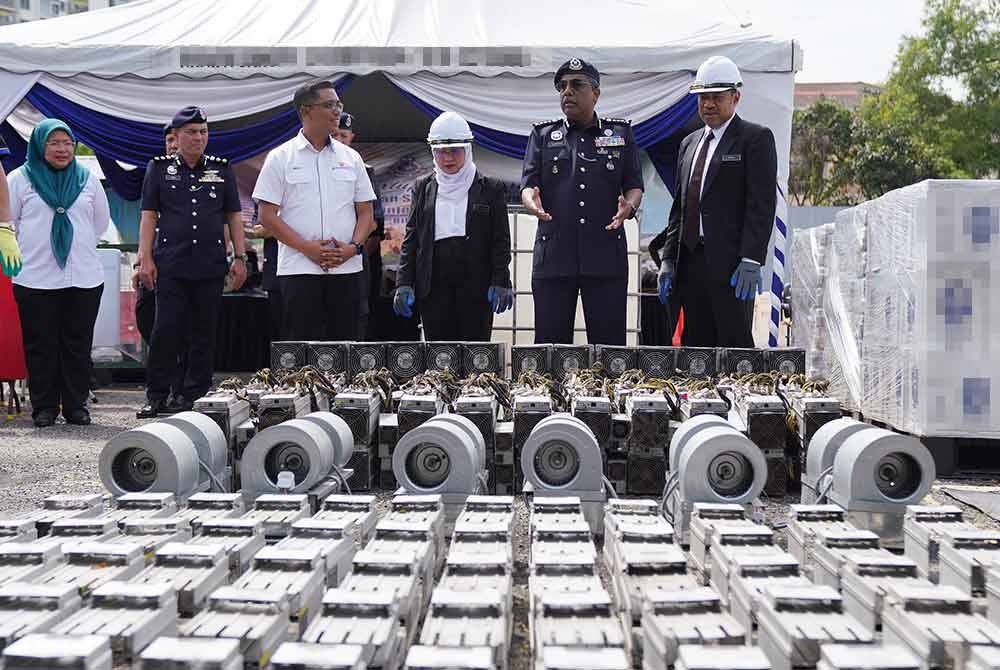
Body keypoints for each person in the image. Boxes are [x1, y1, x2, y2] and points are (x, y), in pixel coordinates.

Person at [520, 57, 643, 345]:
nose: (567, 92)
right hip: (554, 256)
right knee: (550, 349)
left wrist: (630, 206)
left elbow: (634, 185)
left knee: (609, 348)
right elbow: (528, 184)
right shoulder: (543, 135)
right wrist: (530, 202)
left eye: (577, 85)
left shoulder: (619, 133)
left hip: (604, 258)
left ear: (596, 93)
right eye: (562, 86)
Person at [657, 56, 777, 347]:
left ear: (735, 97)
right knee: (696, 349)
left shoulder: (755, 139)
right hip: (690, 264)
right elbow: (680, 210)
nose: (708, 104)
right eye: (703, 98)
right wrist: (669, 260)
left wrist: (751, 258)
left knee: (734, 347)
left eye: (716, 97)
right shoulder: (689, 143)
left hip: (732, 267)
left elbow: (761, 204)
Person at [137, 107, 247, 418]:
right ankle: (157, 395)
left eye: (203, 132)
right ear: (177, 136)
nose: (199, 138)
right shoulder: (159, 169)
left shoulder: (221, 168)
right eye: (191, 132)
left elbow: (233, 216)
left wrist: (239, 256)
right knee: (166, 328)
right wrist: (145, 257)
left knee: (203, 332)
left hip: (210, 264)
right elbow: (148, 216)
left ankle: (194, 394)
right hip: (171, 263)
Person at [252, 81, 376, 341]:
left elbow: (366, 212)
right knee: (302, 350)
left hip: (347, 269)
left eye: (338, 105)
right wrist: (306, 248)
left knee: (347, 348)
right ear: (306, 111)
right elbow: (266, 215)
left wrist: (353, 247)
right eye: (329, 105)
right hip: (299, 270)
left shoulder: (351, 158)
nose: (336, 112)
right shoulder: (280, 157)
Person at [6, 119, 110, 427]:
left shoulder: (87, 179)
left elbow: (99, 223)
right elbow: (8, 222)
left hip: (83, 277)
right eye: (54, 143)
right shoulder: (19, 179)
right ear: (39, 145)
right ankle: (44, 408)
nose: (62, 149)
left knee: (77, 345)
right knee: (41, 346)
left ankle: (76, 406)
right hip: (35, 277)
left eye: (67, 143)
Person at [393, 111, 512, 341]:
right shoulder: (423, 187)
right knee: (439, 354)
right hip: (434, 283)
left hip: (476, 283)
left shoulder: (490, 188)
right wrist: (404, 282)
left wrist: (501, 280)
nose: (448, 158)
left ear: (467, 150)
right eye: (441, 152)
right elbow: (412, 238)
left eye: (455, 151)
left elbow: (500, 240)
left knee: (475, 354)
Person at [334, 112, 386, 340]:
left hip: (355, 253)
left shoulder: (363, 169)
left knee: (356, 315)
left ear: (352, 137)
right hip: (321, 254)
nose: (339, 140)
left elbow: (374, 220)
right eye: (335, 135)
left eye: (344, 136)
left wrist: (355, 247)